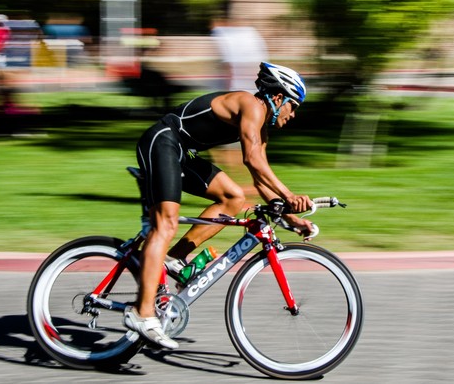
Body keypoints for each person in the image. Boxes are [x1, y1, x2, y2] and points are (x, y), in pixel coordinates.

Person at [124, 62, 314, 349]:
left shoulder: (260, 125)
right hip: (162, 141)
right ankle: (143, 313)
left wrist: (289, 216)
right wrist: (289, 194)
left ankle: (174, 258)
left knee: (233, 198)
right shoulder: (251, 105)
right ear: (278, 98)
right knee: (166, 224)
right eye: (293, 105)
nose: (294, 114)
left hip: (180, 153)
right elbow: (253, 160)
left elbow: (259, 178)